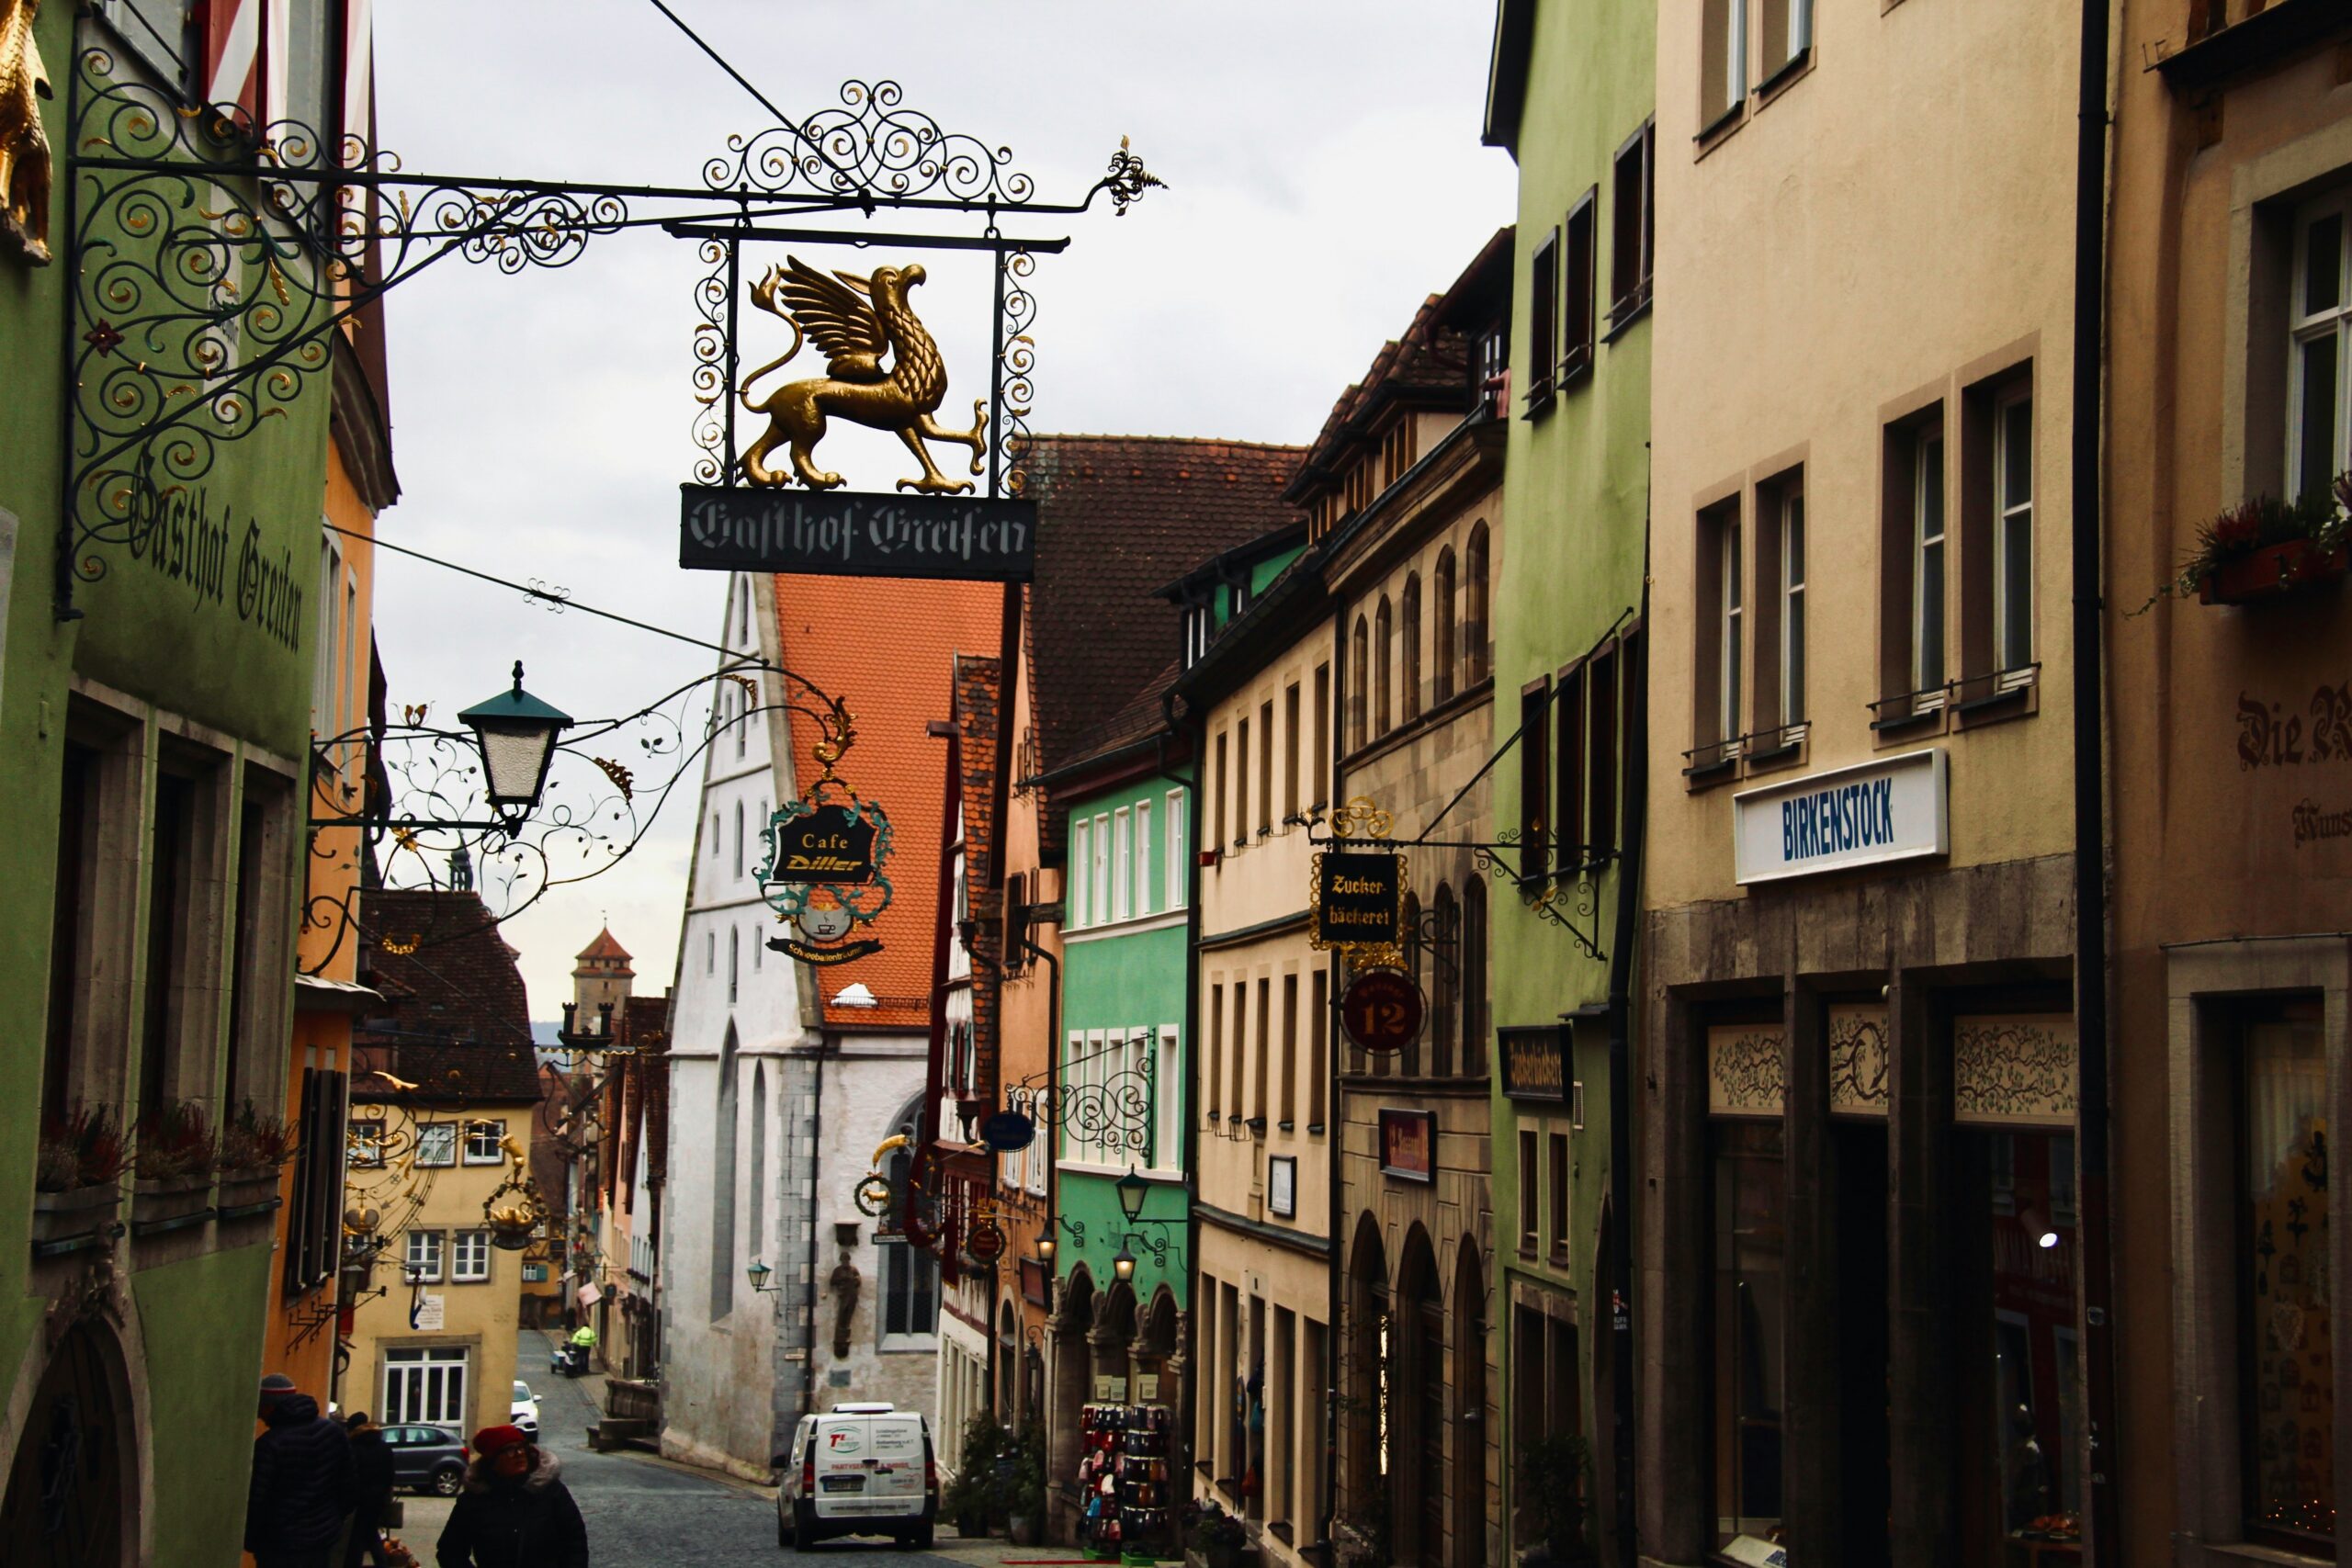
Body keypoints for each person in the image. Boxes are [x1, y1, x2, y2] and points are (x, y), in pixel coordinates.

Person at [435, 1424, 588, 1568]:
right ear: (493, 1460)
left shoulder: (551, 1492)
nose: (519, 1454)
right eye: (510, 1450)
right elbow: (450, 1552)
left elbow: (575, 1542)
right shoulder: (473, 1501)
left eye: (521, 1447)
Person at [246, 1372, 356, 1568]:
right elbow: (349, 1483)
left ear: (270, 1406)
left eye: (260, 1407)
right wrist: (334, 1519)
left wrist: (253, 1540)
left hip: (281, 1544)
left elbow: (258, 1499)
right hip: (323, 1537)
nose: (259, 1414)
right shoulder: (332, 1432)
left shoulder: (270, 1444)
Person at [345, 1413, 396, 1567]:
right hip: (377, 1499)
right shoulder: (384, 1447)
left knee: (357, 1538)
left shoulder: (353, 1447)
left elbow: (350, 1475)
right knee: (371, 1533)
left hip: (358, 1500)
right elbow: (390, 1475)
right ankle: (382, 1564)